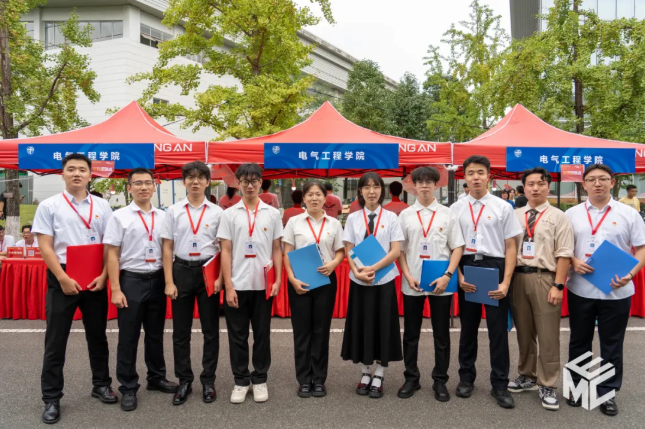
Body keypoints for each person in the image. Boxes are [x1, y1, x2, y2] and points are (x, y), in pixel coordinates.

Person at [33, 153, 116, 424]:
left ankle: (101, 384)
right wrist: (62, 278)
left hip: (95, 278)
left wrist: (104, 275)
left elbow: (110, 244)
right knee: (56, 340)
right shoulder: (50, 206)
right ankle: (51, 397)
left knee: (98, 335)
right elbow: (45, 246)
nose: (77, 174)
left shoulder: (102, 206)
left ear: (91, 175)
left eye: (82, 169)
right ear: (63, 174)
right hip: (63, 275)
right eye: (71, 169)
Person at [565, 164, 645, 416]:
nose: (597, 183)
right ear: (584, 184)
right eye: (591, 179)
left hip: (617, 291)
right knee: (579, 341)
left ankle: (607, 392)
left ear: (612, 182)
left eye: (603, 179)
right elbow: (563, 248)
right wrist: (573, 261)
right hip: (580, 289)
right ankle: (577, 388)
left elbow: (642, 248)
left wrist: (631, 274)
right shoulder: (572, 214)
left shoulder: (629, 213)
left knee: (612, 344)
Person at [450, 155, 523, 409]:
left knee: (498, 331)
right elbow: (452, 246)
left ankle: (500, 384)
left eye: (480, 172)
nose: (476, 178)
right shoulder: (456, 209)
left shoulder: (503, 207)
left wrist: (506, 282)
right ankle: (466, 378)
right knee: (467, 329)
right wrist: (459, 276)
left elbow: (511, 246)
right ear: (465, 177)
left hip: (495, 267)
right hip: (467, 266)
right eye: (471, 173)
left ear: (489, 176)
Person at [103, 168, 179, 412]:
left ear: (154, 186)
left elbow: (168, 249)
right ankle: (128, 386)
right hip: (131, 281)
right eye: (138, 183)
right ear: (129, 188)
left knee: (155, 334)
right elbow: (112, 254)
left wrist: (168, 281)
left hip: (157, 279)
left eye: (148, 183)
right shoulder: (119, 216)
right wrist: (116, 288)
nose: (143, 187)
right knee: (128, 337)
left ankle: (156, 377)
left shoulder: (164, 216)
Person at [508, 167, 574, 411]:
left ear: (548, 187)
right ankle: (527, 374)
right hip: (518, 278)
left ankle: (547, 383)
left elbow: (564, 253)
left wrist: (558, 284)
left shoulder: (559, 216)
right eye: (531, 184)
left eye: (541, 183)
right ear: (524, 188)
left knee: (548, 334)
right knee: (524, 332)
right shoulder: (514, 215)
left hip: (545, 278)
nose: (535, 188)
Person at [397, 167, 465, 401]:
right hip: (413, 280)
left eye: (429, 182)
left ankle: (440, 380)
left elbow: (457, 247)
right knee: (411, 334)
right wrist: (407, 275)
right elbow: (400, 250)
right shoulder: (405, 215)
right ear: (413, 186)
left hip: (441, 281)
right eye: (420, 182)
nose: (424, 185)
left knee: (441, 334)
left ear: (436, 185)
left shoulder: (448, 214)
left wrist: (448, 275)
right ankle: (411, 378)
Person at [217, 163, 283, 404]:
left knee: (262, 334)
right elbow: (225, 251)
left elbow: (277, 248)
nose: (250, 186)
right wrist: (228, 286)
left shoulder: (272, 213)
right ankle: (241, 380)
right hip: (238, 283)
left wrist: (277, 279)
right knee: (237, 336)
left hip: (263, 284)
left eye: (254, 181)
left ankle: (260, 378)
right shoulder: (229, 214)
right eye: (245, 181)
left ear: (261, 182)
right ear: (238, 183)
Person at [160, 161, 224, 406]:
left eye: (200, 178)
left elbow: (223, 248)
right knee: (181, 332)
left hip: (208, 271)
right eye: (190, 177)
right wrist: (169, 281)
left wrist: (220, 278)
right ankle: (184, 380)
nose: (195, 181)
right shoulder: (173, 211)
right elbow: (167, 247)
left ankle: (208, 380)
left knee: (211, 330)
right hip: (181, 271)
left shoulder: (217, 212)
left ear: (208, 182)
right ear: (184, 181)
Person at [341, 172, 404, 399]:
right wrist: (358, 271)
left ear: (381, 190)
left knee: (383, 325)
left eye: (376, 186)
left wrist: (373, 269)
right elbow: (349, 248)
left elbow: (395, 251)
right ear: (360, 191)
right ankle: (365, 371)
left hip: (383, 280)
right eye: (366, 187)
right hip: (359, 280)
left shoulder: (392, 218)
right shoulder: (353, 218)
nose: (371, 191)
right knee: (362, 324)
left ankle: (379, 373)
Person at [283, 180, 345, 398]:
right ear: (304, 198)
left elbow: (340, 251)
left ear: (325, 198)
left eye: (318, 194)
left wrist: (333, 264)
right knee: (302, 332)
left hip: (325, 280)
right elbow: (287, 252)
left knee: (321, 331)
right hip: (300, 280)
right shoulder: (294, 222)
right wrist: (291, 278)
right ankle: (304, 379)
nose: (314, 198)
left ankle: (319, 379)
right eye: (310, 194)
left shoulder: (334, 224)